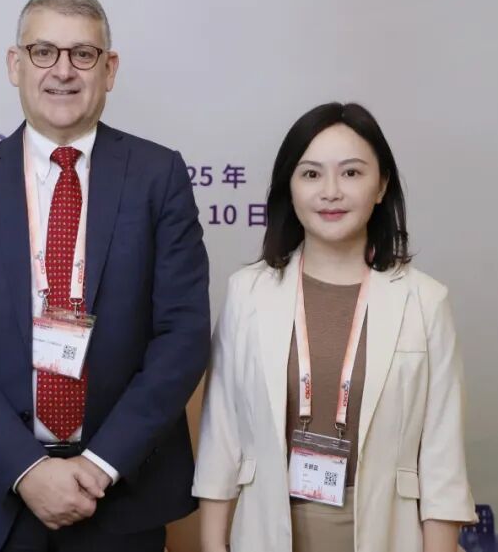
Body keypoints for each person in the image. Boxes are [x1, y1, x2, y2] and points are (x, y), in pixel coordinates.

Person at [0, 0, 210, 552]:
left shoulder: (158, 177)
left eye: (83, 54)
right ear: (15, 64)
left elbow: (182, 335)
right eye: (43, 51)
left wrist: (101, 464)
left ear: (110, 69)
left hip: (120, 495)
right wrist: (26, 470)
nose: (63, 71)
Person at [193, 102, 476, 552]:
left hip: (388, 533)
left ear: (381, 185)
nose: (330, 192)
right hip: (267, 531)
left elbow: (444, 464)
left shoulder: (426, 301)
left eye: (351, 173)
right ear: (289, 187)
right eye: (311, 174)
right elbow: (220, 443)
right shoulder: (247, 293)